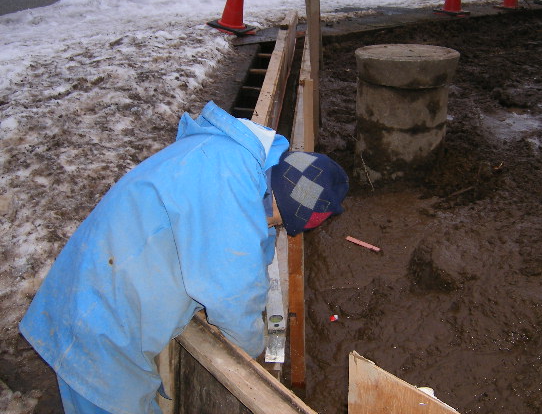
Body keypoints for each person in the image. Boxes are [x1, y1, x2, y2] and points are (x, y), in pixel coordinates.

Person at [19, 101, 349, 414]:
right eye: (280, 222)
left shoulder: (235, 161)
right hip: (97, 323)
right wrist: (250, 353)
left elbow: (252, 247)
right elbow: (233, 289)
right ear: (283, 200)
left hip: (104, 293)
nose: (271, 225)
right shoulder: (229, 181)